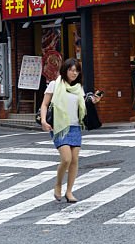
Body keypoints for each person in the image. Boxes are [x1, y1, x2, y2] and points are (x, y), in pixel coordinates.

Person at [39, 59, 99, 203]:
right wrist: (43, 120)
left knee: (74, 160)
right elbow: (44, 104)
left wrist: (93, 101)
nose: (74, 73)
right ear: (65, 70)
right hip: (59, 126)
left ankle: (69, 191)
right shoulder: (55, 85)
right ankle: (58, 184)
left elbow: (82, 105)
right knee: (66, 159)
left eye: (77, 70)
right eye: (71, 70)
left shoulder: (79, 88)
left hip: (75, 126)